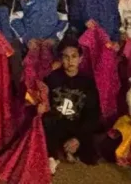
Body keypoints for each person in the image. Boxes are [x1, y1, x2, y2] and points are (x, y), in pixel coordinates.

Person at [43, 42, 101, 173]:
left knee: (92, 155)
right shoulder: (52, 77)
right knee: (45, 121)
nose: (70, 61)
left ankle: (71, 147)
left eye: (74, 56)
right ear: (60, 59)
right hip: (56, 123)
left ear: (80, 58)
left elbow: (92, 114)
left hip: (76, 124)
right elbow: (44, 101)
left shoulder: (88, 82)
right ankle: (52, 157)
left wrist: (77, 139)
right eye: (66, 57)